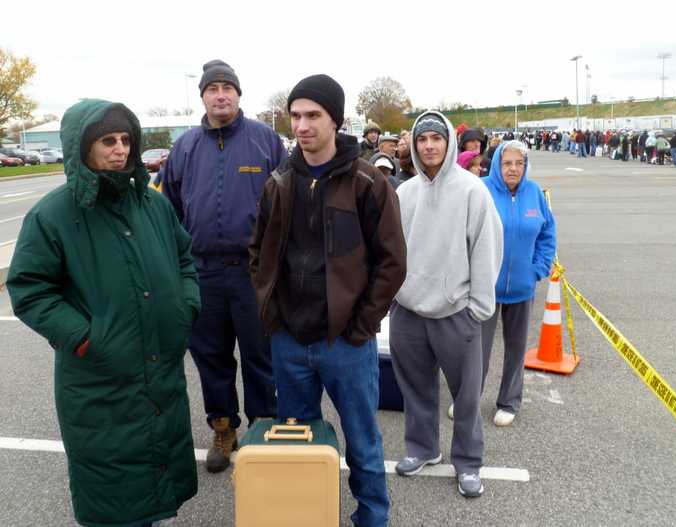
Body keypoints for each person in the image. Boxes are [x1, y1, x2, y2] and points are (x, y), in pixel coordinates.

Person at [7, 99, 199, 527]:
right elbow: (30, 289)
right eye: (107, 141)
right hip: (100, 383)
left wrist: (185, 306)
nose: (120, 150)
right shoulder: (54, 215)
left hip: (159, 376)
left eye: (125, 140)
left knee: (152, 488)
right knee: (115, 503)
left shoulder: (152, 205)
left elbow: (185, 258)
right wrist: (85, 337)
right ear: (82, 148)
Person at [249, 74, 407, 527]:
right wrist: (272, 309)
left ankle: (372, 516)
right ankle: (303, 515)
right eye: (295, 115)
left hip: (347, 342)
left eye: (313, 115)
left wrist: (361, 325)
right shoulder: (279, 181)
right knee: (296, 443)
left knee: (362, 439)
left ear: (335, 120)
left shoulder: (367, 182)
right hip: (291, 341)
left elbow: (392, 262)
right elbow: (256, 252)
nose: (302, 125)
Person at [162, 59, 285, 472]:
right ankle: (223, 427)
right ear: (202, 97)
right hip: (202, 273)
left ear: (238, 95)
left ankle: (263, 426)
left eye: (227, 88)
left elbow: (286, 207)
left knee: (259, 354)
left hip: (253, 272)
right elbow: (169, 210)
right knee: (211, 356)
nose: (220, 95)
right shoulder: (184, 148)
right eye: (212, 89)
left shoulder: (265, 141)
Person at [390, 111, 503, 498]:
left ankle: (469, 463)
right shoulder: (404, 193)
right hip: (409, 312)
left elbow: (487, 249)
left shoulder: (473, 191)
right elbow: (391, 251)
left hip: (457, 313)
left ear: (448, 143)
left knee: (466, 395)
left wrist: (478, 308)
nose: (429, 146)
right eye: (422, 139)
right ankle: (423, 449)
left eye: (436, 138)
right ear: (415, 146)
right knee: (416, 389)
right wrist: (394, 300)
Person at [480, 140, 556, 427]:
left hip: (522, 289)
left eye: (519, 163)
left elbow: (548, 234)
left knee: (516, 350)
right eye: (507, 163)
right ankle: (467, 398)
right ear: (498, 165)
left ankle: (509, 401)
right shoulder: (482, 190)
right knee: (476, 351)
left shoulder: (534, 193)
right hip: (485, 288)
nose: (513, 169)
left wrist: (538, 269)